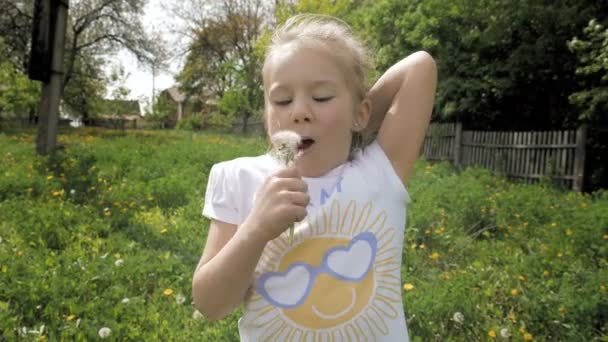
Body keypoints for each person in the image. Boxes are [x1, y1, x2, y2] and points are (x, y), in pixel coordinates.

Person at [192, 13, 437, 341]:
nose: (299, 111)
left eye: (321, 97)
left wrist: (354, 120)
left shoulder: (380, 172)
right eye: (281, 100)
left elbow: (419, 66)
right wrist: (255, 230)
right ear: (266, 112)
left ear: (361, 112)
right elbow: (211, 306)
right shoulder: (238, 178)